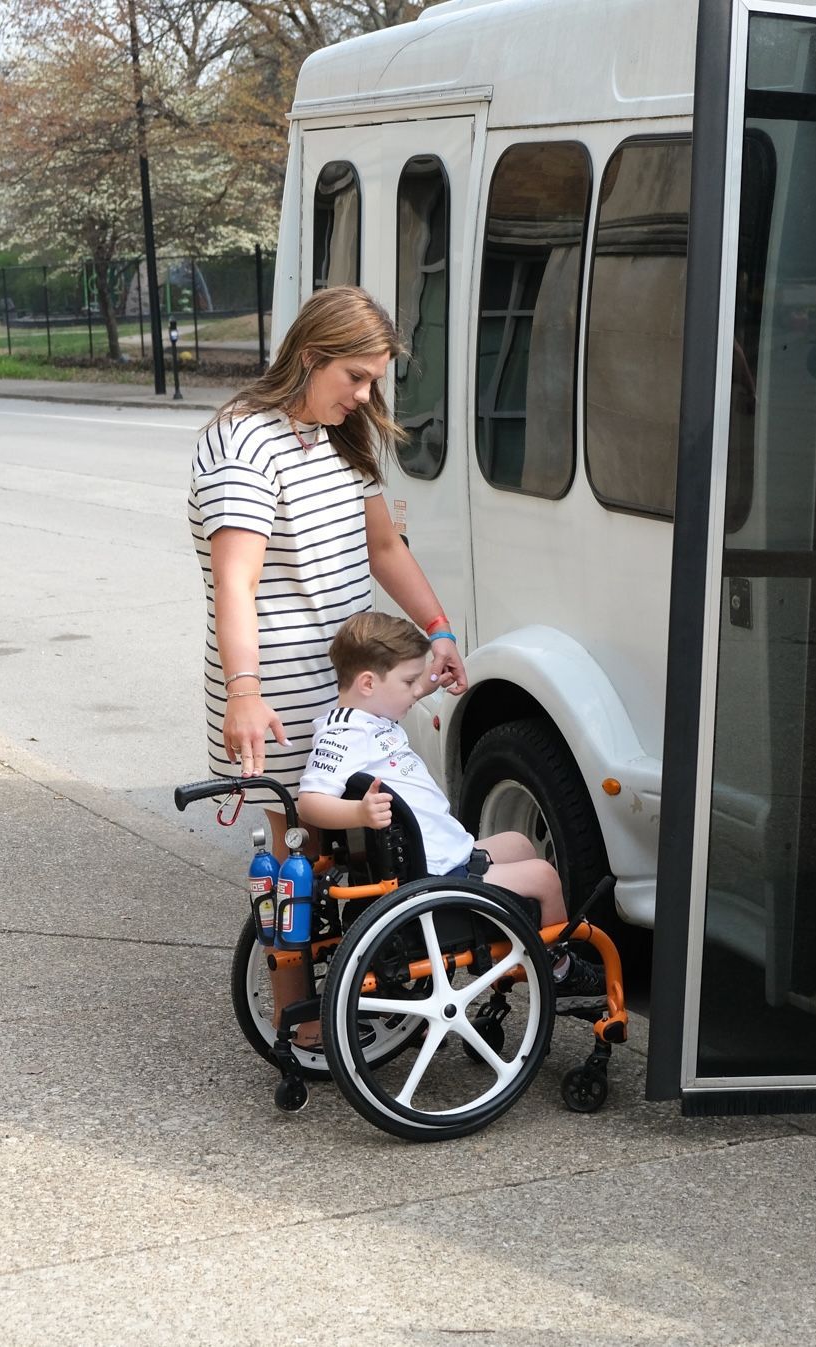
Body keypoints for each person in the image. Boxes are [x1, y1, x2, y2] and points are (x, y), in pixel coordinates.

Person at [188, 285, 467, 857]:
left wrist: (439, 630)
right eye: (356, 377)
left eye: (375, 382)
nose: (366, 396)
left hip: (347, 687)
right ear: (311, 357)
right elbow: (234, 582)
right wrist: (244, 692)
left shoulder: (337, 436)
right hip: (277, 695)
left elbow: (385, 548)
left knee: (359, 861)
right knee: (304, 860)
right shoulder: (242, 442)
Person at [297, 611, 607, 1014]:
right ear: (369, 683)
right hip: (435, 872)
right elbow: (310, 802)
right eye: (409, 683)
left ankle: (516, 941)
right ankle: (559, 973)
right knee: (544, 877)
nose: (415, 693)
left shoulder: (371, 714)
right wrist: (359, 812)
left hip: (444, 854)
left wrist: (432, 678)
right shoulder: (343, 736)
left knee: (516, 842)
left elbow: (399, 688)